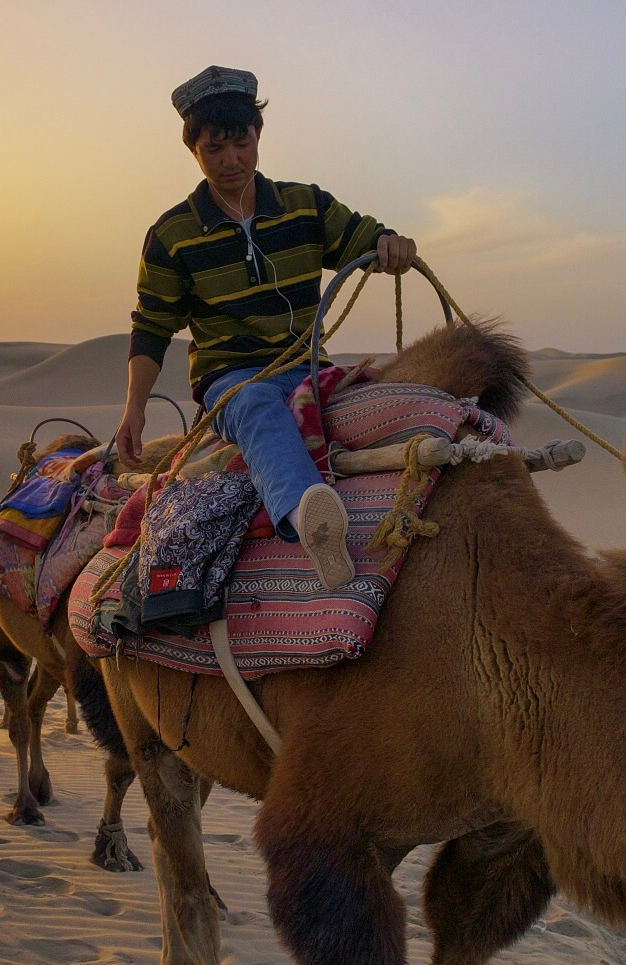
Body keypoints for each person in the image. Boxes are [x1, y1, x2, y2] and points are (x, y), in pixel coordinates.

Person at [113, 65, 417, 589]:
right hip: (233, 380)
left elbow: (365, 238)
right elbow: (153, 325)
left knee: (395, 395)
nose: (231, 160)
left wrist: (392, 243)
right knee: (254, 407)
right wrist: (134, 407)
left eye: (241, 143)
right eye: (214, 150)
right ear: (193, 150)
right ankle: (309, 520)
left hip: (308, 369)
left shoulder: (306, 206)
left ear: (258, 136)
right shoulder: (172, 235)